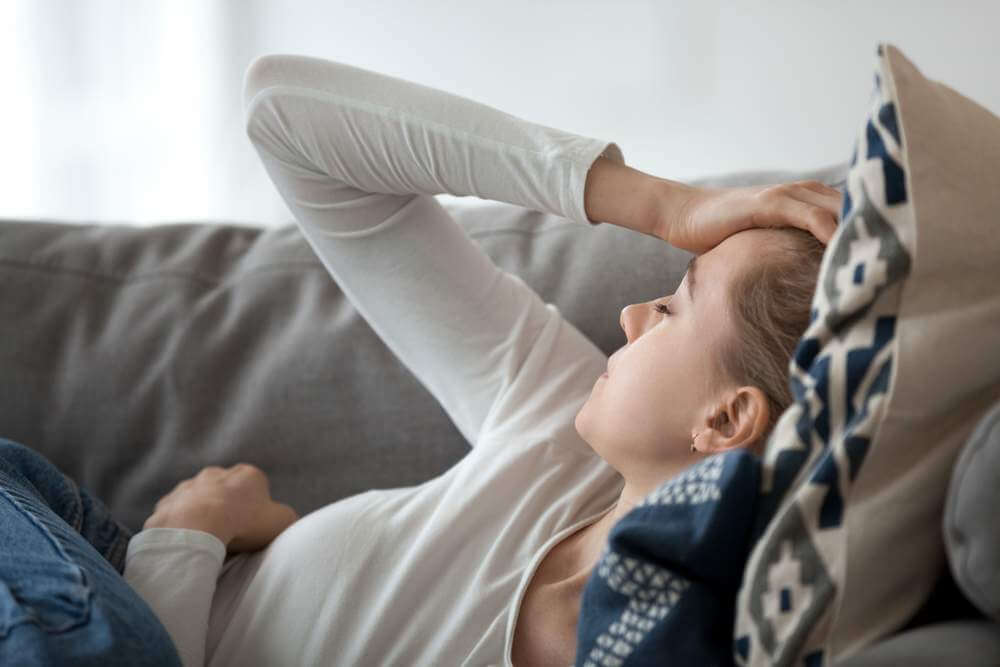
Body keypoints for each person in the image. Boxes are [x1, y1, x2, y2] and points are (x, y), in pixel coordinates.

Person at [0, 53, 840, 666]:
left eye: (674, 306)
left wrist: (182, 543)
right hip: (58, 551)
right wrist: (663, 205)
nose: (629, 313)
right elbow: (286, 116)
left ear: (725, 417)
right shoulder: (554, 420)